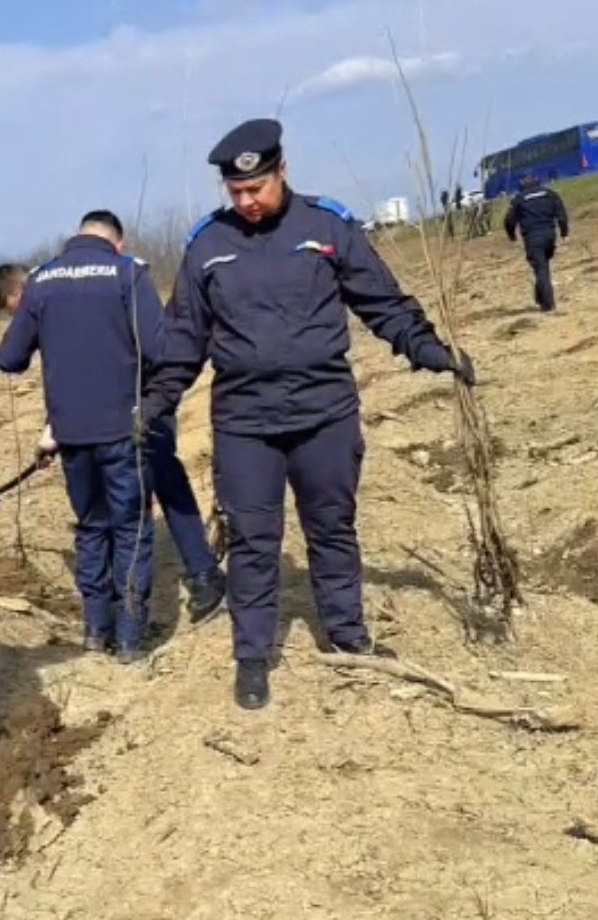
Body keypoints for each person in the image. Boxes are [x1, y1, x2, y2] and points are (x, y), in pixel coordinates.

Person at [143, 118, 476, 711]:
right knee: (253, 540)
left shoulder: (327, 227)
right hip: (246, 424)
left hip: (325, 415)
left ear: (283, 171)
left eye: (256, 188)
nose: (247, 201)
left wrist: (429, 350)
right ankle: (253, 657)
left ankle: (348, 636)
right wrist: (154, 401)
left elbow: (382, 303)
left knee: (332, 528)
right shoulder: (207, 245)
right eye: (236, 192)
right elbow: (184, 339)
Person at [0, 261, 227, 625]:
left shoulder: (62, 288)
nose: (18, 320)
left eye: (13, 311)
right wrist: (56, 431)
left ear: (19, 291)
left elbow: (94, 362)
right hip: (108, 410)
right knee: (119, 499)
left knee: (161, 477)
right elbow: (72, 374)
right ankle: (118, 602)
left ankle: (202, 574)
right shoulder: (64, 287)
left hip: (143, 397)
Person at [0, 211, 165, 662]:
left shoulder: (41, 281)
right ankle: (129, 638)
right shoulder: (128, 273)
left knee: (91, 525)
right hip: (123, 427)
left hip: (70, 433)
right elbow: (160, 349)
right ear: (116, 243)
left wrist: (1, 351)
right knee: (131, 527)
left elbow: (10, 359)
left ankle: (94, 629)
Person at [504, 174, 569, 313]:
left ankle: (548, 305)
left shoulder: (519, 199)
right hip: (550, 235)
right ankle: (541, 296)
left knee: (541, 269)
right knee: (543, 265)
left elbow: (509, 220)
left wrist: (512, 236)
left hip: (533, 237)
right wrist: (564, 232)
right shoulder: (550, 194)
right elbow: (562, 214)